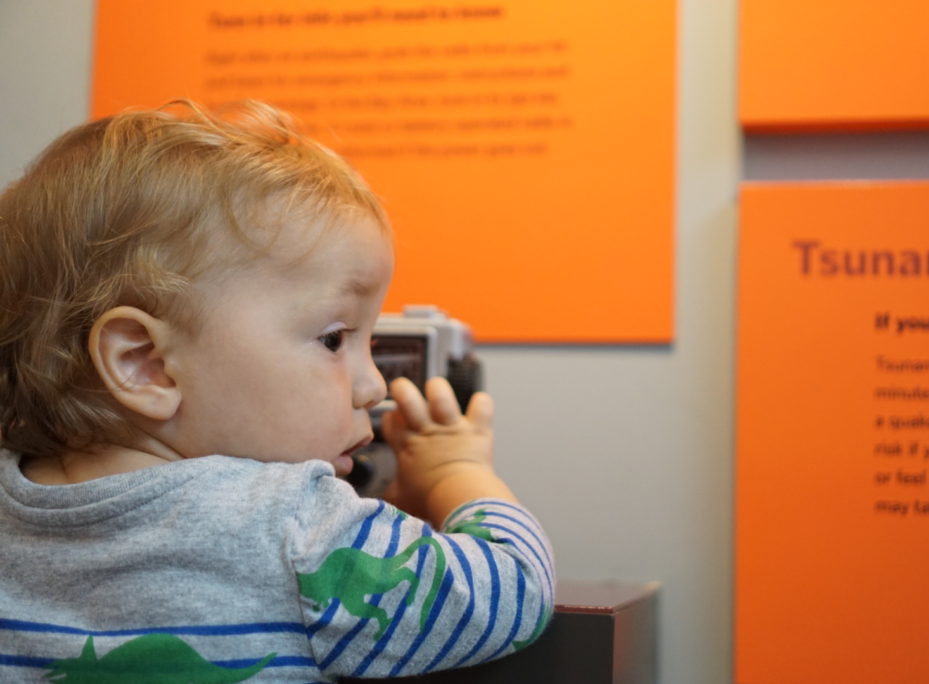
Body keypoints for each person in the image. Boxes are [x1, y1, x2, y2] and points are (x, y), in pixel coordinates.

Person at [0, 101, 553, 681]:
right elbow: (514, 590)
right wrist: (454, 472)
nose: (374, 386)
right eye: (336, 338)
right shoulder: (297, 526)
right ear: (146, 364)